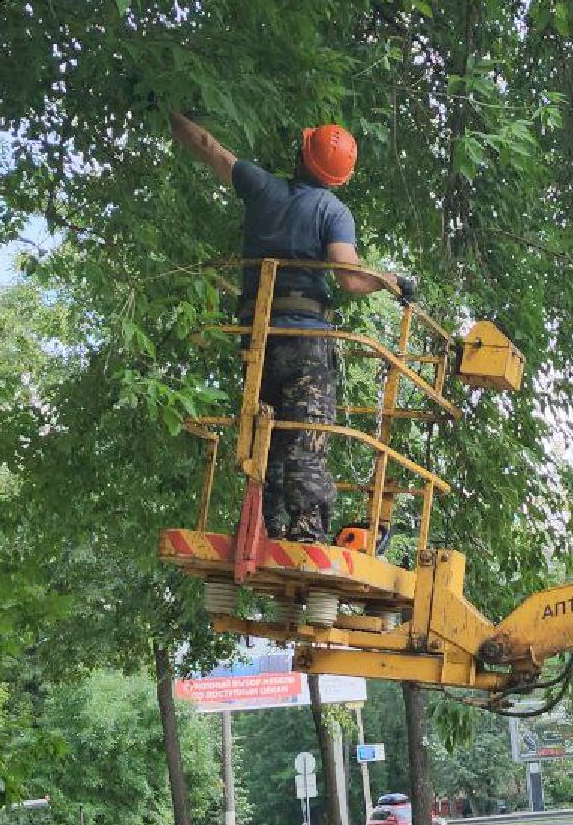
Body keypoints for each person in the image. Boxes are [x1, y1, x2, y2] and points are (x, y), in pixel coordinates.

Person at [169, 110, 415, 543]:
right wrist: (392, 282)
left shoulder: (261, 187)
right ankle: (305, 527)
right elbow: (349, 277)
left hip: (257, 339)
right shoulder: (332, 211)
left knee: (264, 431)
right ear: (340, 178)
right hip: (305, 341)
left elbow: (209, 148)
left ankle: (263, 524)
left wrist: (168, 112)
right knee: (305, 433)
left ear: (302, 153)